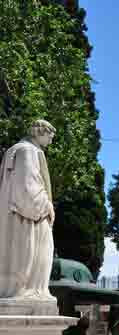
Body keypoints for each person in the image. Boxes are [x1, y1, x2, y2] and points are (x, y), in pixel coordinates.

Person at [0, 120, 57, 301]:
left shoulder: (14, 150)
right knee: (35, 252)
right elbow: (27, 187)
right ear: (40, 132)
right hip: (29, 218)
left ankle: (28, 289)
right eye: (50, 136)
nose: (50, 141)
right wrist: (47, 206)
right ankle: (30, 290)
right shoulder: (27, 151)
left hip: (16, 215)